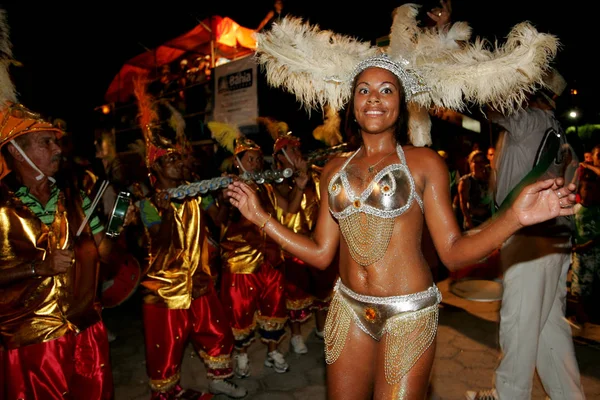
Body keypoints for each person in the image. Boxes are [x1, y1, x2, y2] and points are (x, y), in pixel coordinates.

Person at [226, 6, 575, 398]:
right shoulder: (333, 169)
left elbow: (455, 253)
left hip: (409, 314)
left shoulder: (424, 164)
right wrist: (261, 217)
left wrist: (514, 217)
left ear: (401, 102)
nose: (374, 99)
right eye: (364, 90)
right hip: (347, 307)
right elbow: (323, 254)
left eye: (386, 90)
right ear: (352, 104)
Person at [467, 68, 586, 400]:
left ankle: (509, 396)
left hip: (531, 242)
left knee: (518, 332)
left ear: (533, 95)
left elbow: (489, 101)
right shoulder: (564, 136)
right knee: (550, 331)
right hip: (557, 243)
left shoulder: (530, 121)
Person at [131, 80, 247, 399]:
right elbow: (162, 241)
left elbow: (220, 222)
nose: (181, 164)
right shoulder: (148, 204)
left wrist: (225, 200)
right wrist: (168, 213)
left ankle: (219, 378)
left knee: (217, 332)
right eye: (172, 160)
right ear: (155, 166)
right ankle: (169, 393)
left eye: (181, 159)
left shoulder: (195, 194)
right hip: (165, 289)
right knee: (167, 348)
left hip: (200, 280)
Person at [271, 130, 339, 352]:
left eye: (297, 148)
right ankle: (296, 336)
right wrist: (299, 181)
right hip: (293, 245)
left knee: (321, 288)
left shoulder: (311, 173)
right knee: (295, 294)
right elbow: (288, 209)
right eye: (291, 149)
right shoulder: (277, 180)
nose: (297, 152)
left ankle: (321, 327)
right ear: (280, 156)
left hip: (315, 240)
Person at [570, 144, 600, 330]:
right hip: (581, 254)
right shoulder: (578, 210)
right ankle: (581, 315)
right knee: (580, 286)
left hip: (594, 251)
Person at [457, 150, 493, 230]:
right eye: (476, 161)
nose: (479, 164)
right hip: (475, 221)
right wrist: (468, 221)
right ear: (470, 163)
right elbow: (463, 203)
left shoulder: (490, 179)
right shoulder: (466, 181)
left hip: (489, 220)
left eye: (481, 161)